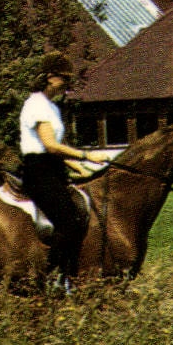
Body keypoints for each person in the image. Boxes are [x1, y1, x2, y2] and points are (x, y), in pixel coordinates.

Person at [20, 52, 113, 279]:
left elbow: (56, 149)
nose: (67, 84)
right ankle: (52, 276)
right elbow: (50, 146)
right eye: (65, 79)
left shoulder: (52, 107)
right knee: (69, 222)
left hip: (53, 168)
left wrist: (78, 167)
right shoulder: (36, 105)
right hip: (38, 172)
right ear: (50, 77)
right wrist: (86, 156)